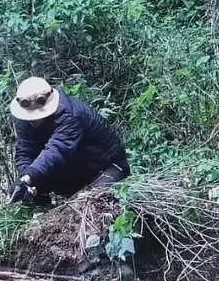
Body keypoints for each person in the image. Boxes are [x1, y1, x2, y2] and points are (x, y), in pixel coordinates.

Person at [8, 76, 129, 204]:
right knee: (36, 196)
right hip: (72, 176)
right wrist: (26, 182)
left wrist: (29, 177)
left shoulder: (71, 115)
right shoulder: (24, 120)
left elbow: (57, 149)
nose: (33, 120)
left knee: (94, 207)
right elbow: (25, 151)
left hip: (106, 168)